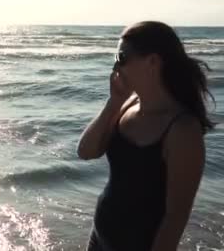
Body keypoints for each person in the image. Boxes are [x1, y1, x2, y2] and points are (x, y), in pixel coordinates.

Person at [77, 21, 214, 251]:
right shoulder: (127, 104)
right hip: (100, 239)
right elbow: (86, 151)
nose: (115, 66)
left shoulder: (182, 129)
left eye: (122, 57)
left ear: (152, 61)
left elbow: (175, 217)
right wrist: (114, 102)